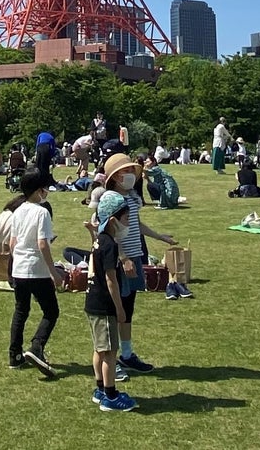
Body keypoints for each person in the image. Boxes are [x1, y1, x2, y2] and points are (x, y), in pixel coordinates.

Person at [102, 152, 176, 376]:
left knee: (127, 309)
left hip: (134, 258)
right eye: (125, 171)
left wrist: (159, 236)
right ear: (114, 177)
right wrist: (123, 257)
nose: (130, 175)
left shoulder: (131, 197)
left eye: (130, 170)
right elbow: (109, 233)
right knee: (114, 311)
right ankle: (110, 360)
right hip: (119, 260)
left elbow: (136, 223)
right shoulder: (111, 200)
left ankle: (126, 354)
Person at [85, 190, 138, 412]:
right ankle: (110, 396)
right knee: (110, 352)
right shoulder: (110, 244)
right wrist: (119, 308)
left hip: (92, 303)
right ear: (114, 220)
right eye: (126, 218)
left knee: (99, 349)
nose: (128, 223)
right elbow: (110, 279)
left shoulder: (100, 240)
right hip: (105, 305)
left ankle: (100, 389)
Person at [8, 170, 64, 374]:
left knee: (21, 311)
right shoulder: (42, 212)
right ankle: (37, 346)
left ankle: (14, 355)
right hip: (36, 270)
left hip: (19, 269)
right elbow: (42, 244)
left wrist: (18, 261)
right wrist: (53, 272)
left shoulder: (18, 211)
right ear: (38, 190)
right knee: (51, 311)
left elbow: (12, 243)